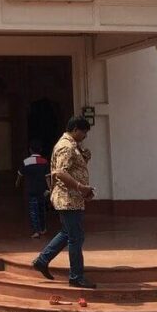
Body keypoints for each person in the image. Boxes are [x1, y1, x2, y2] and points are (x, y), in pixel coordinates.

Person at [32, 116, 96, 289]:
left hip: (73, 197)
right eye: (84, 132)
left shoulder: (73, 146)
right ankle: (76, 276)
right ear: (75, 129)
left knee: (68, 232)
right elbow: (60, 173)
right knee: (76, 237)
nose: (84, 136)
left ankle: (43, 260)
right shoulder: (66, 146)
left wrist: (84, 159)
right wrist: (80, 187)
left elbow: (73, 168)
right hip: (67, 198)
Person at [16, 140, 49, 238]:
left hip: (31, 190)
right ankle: (43, 229)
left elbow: (19, 175)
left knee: (33, 210)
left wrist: (17, 183)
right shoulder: (44, 162)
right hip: (42, 190)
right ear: (41, 150)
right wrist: (50, 188)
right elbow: (47, 177)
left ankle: (36, 231)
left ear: (30, 150)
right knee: (42, 209)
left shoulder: (26, 162)